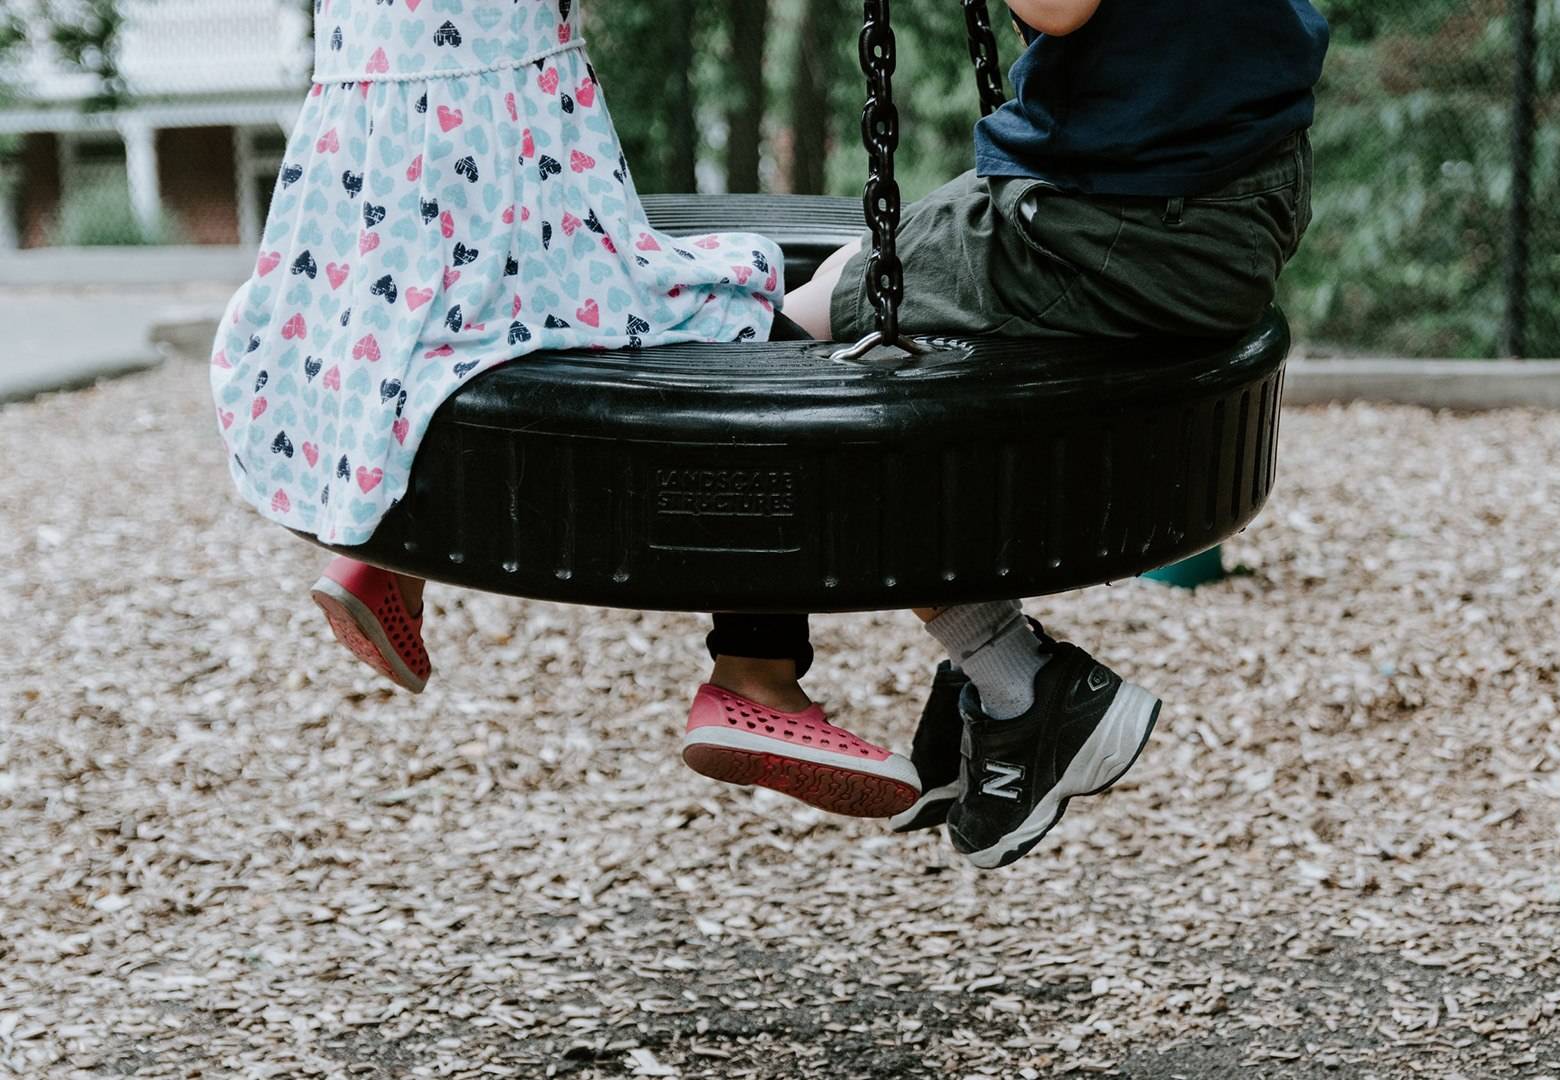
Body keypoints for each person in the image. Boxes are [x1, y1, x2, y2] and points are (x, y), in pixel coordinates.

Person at [211, 0, 920, 819]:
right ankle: (756, 675)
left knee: (418, 322)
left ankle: (385, 544)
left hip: (373, 150)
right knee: (730, 322)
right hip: (498, 140)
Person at [775, 0, 1330, 867]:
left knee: (808, 336)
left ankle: (1019, 686)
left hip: (1134, 222)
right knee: (856, 273)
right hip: (1221, 182)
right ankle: (990, 675)